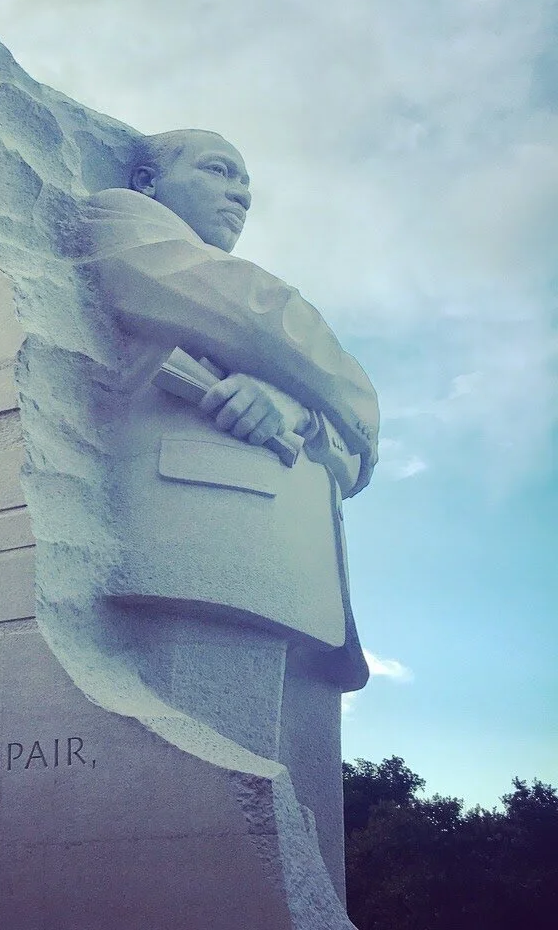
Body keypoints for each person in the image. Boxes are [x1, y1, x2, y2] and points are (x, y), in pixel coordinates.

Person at [75, 128, 380, 895]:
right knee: (206, 829)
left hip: (303, 583)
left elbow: (355, 455)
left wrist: (296, 407)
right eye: (219, 171)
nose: (241, 194)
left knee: (304, 850)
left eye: (248, 183)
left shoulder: (248, 308)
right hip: (205, 545)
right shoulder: (123, 218)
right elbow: (255, 313)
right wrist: (341, 387)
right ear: (148, 180)